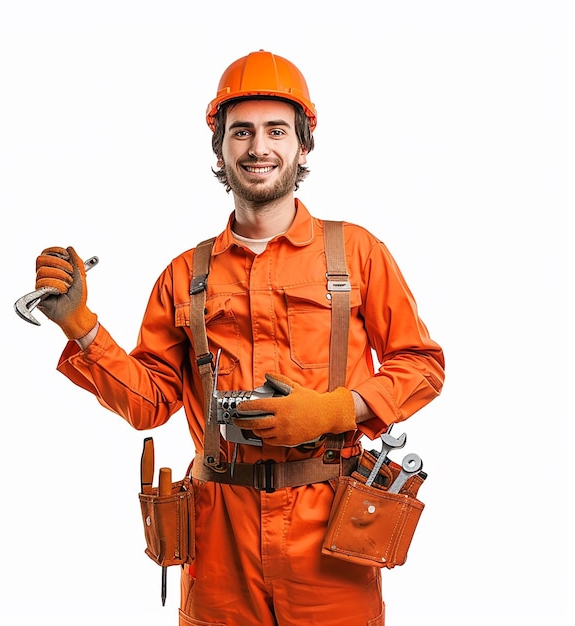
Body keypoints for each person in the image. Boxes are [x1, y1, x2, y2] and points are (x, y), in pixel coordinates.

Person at [33, 50, 445, 626]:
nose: (259, 148)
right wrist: (80, 326)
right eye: (241, 132)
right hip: (219, 535)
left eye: (277, 131)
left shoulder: (356, 254)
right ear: (220, 148)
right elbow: (150, 403)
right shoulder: (184, 276)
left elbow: (421, 365)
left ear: (303, 145)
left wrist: (335, 409)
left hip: (330, 534)